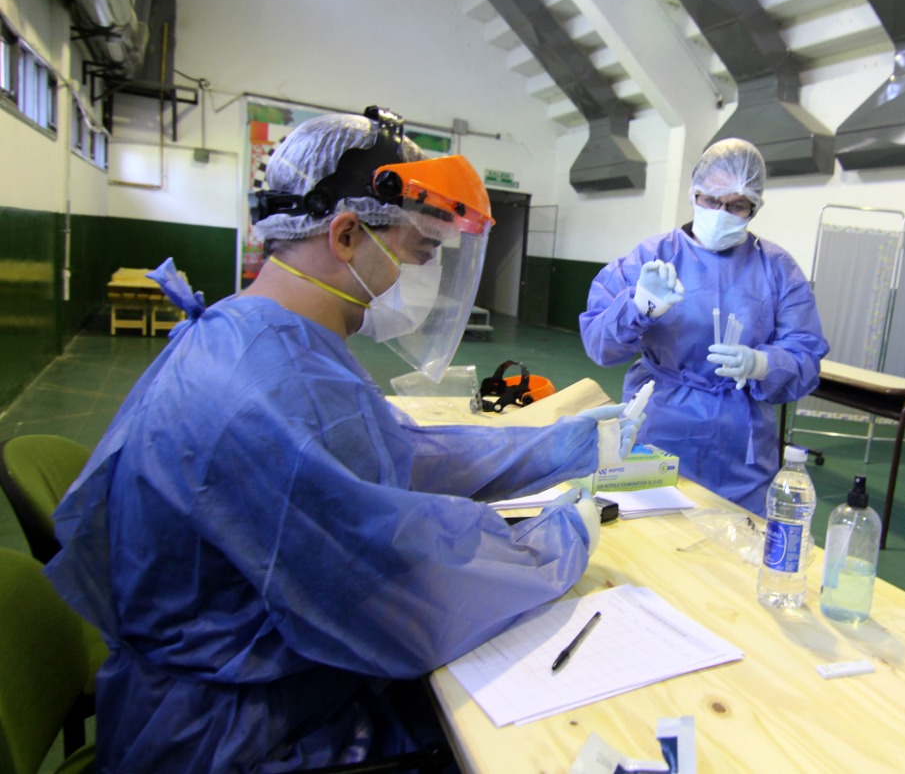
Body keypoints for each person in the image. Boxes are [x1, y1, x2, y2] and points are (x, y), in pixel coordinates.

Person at [44, 107, 641, 772]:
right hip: (233, 737)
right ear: (349, 234)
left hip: (239, 693)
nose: (412, 286)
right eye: (419, 254)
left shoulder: (257, 333)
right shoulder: (271, 387)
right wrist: (560, 540)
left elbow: (393, 453)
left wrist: (565, 443)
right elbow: (406, 583)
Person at [579, 138, 828, 516]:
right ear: (695, 194)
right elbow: (600, 347)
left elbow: (806, 356)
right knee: (654, 537)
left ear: (754, 208)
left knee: (737, 548)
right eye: (712, 200)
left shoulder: (777, 269)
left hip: (742, 448)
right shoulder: (652, 258)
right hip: (659, 428)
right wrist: (639, 306)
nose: (721, 211)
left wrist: (763, 364)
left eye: (736, 205)